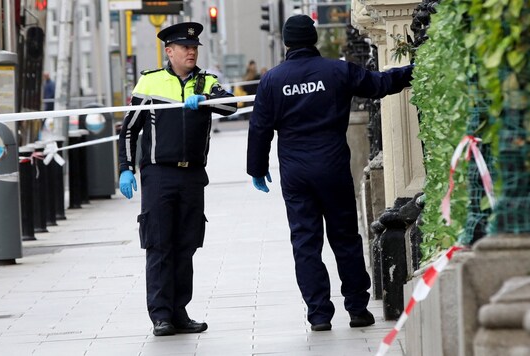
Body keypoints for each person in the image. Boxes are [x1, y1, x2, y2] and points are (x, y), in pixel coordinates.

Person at [246, 15, 414, 331]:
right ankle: (357, 309)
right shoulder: (336, 71)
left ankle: (319, 314)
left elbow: (260, 128)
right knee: (345, 238)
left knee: (305, 242)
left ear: (286, 43)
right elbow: (379, 84)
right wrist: (414, 70)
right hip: (333, 166)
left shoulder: (272, 80)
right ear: (314, 40)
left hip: (296, 174)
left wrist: (256, 168)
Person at [117, 22, 236, 337]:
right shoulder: (151, 82)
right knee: (159, 244)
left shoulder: (206, 81)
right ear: (169, 51)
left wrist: (206, 99)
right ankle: (160, 316)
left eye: (194, 47)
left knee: (186, 244)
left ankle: (179, 311)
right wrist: (125, 167)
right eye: (185, 47)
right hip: (159, 173)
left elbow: (231, 106)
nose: (191, 51)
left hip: (193, 174)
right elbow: (129, 128)